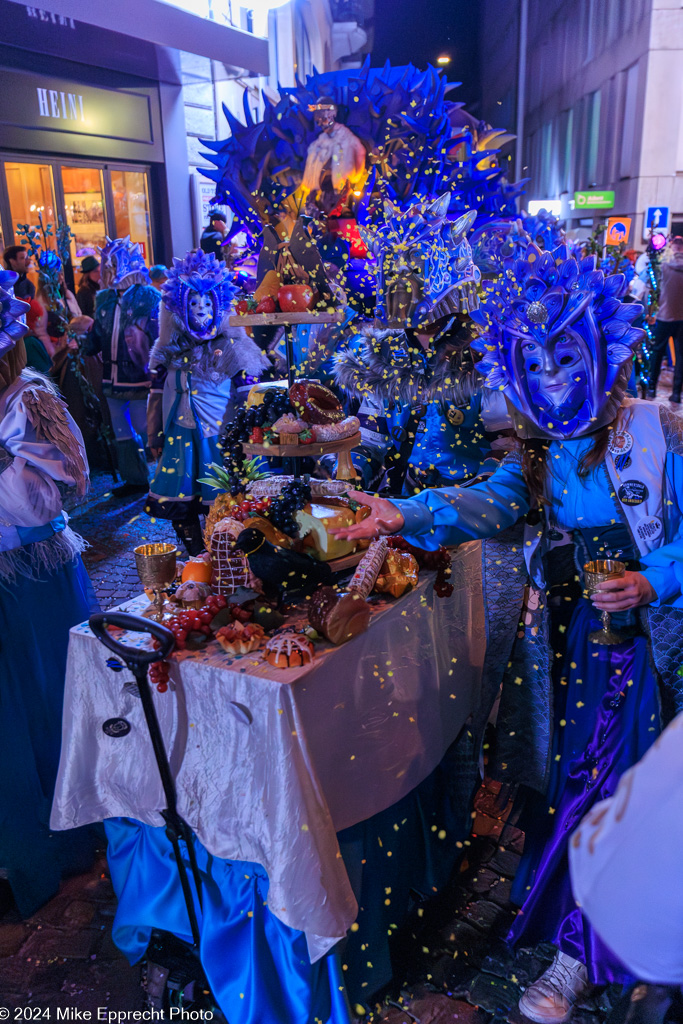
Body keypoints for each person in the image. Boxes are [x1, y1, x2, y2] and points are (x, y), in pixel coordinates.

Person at [334, 244, 683, 1024]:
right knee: (563, 777)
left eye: (567, 355)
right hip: (569, 640)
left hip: (647, 654)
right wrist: (408, 513)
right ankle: (584, 921)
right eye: (536, 361)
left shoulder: (662, 434)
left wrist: (654, 578)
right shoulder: (534, 453)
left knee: (615, 781)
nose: (555, 378)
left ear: (603, 351)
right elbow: (491, 501)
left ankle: (585, 955)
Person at [0, 268, 99, 916]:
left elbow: (76, 472)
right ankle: (24, 853)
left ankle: (68, 840)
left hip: (36, 573)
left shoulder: (28, 396)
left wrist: (11, 450)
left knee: (54, 707)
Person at [146, 249, 269, 554]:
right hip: (178, 431)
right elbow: (157, 392)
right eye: (193, 304)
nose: (200, 312)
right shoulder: (169, 350)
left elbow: (247, 394)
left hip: (218, 433)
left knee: (219, 495)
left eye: (205, 304)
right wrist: (153, 434)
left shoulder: (231, 348)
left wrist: (252, 434)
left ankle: (222, 549)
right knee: (182, 497)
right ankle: (194, 551)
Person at [84, 236, 159, 495]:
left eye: (112, 264)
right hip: (112, 377)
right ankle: (135, 479)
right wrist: (81, 344)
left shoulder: (149, 297)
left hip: (140, 375)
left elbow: (158, 335)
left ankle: (165, 478)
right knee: (121, 430)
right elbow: (97, 337)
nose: (108, 270)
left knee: (144, 427)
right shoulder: (104, 299)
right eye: (107, 265)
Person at [646, 235, 683, 403]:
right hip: (682, 320)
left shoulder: (665, 266)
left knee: (657, 353)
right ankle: (676, 393)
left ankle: (652, 388)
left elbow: (654, 260)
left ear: (673, 247)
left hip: (665, 316)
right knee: (681, 356)